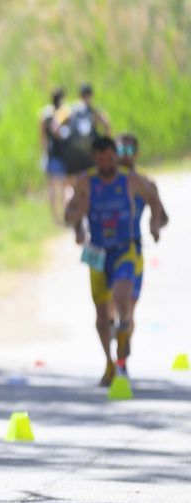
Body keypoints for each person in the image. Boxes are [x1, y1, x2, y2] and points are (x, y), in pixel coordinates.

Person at [65, 136, 163, 386]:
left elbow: (153, 199)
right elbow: (69, 214)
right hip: (97, 252)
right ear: (94, 158)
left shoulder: (130, 180)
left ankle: (124, 329)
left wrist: (153, 224)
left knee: (122, 298)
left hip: (124, 249)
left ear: (115, 157)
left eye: (110, 158)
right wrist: (79, 219)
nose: (106, 164)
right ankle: (109, 362)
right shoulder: (86, 182)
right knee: (100, 317)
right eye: (101, 159)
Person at [116, 133, 169, 375]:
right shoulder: (103, 181)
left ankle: (122, 359)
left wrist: (154, 225)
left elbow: (163, 214)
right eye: (120, 151)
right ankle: (113, 354)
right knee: (107, 311)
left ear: (136, 154)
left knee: (127, 309)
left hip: (132, 250)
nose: (123, 156)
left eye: (128, 152)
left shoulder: (145, 183)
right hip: (105, 251)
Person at [40, 88, 67, 223]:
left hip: (51, 155)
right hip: (62, 155)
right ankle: (62, 214)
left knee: (52, 188)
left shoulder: (46, 115)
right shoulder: (63, 114)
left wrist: (43, 154)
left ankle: (56, 216)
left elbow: (42, 137)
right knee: (62, 188)